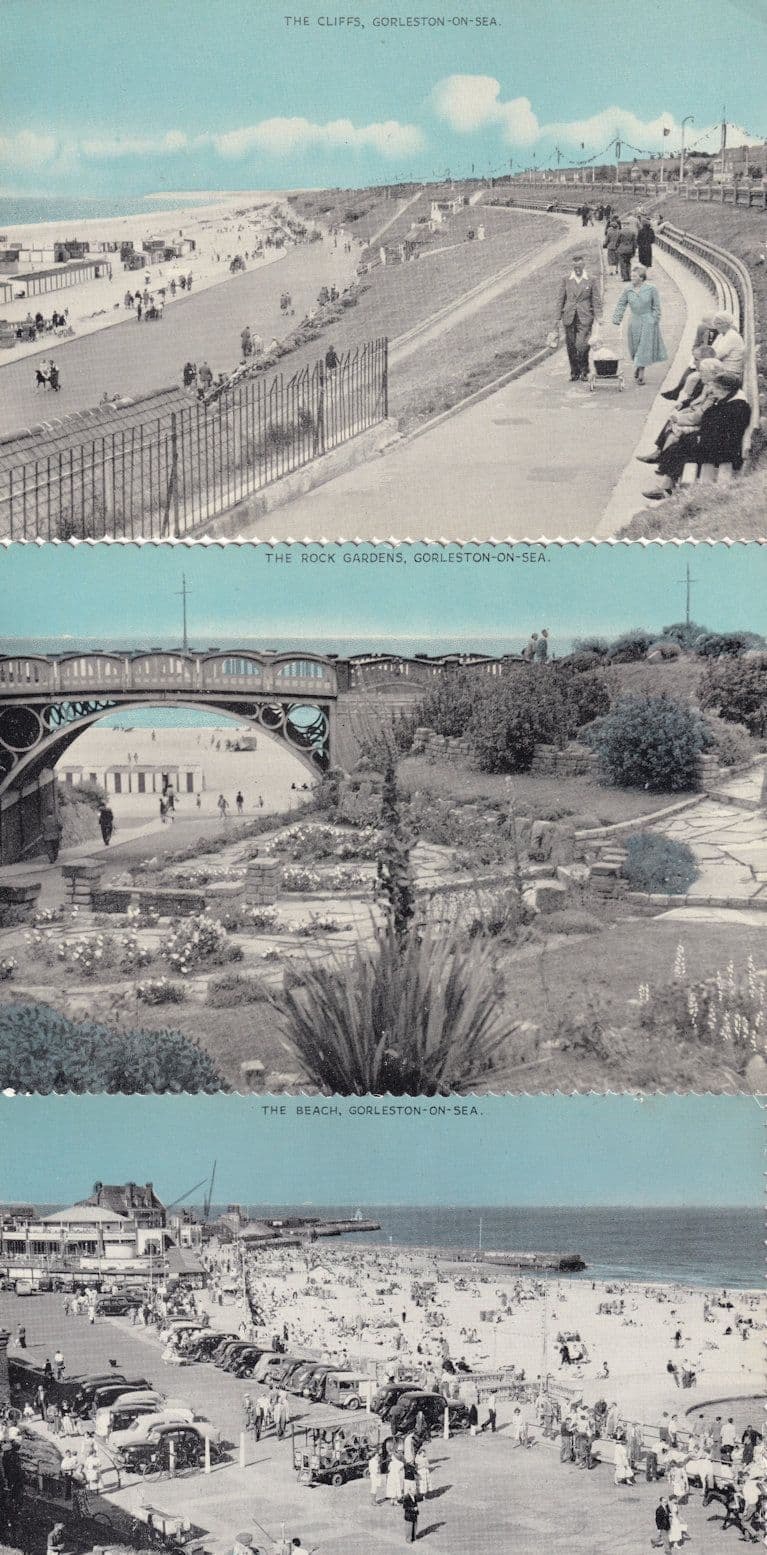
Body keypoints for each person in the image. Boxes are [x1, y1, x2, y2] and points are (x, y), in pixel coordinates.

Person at [642, 370, 751, 498]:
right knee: (679, 446)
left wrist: (697, 439)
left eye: (714, 387)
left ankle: (666, 490)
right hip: (720, 446)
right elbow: (713, 427)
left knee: (681, 450)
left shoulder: (735, 407)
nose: (712, 390)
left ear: (723, 389)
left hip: (723, 452)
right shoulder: (729, 400)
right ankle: (666, 488)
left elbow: (718, 432)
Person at [612, 266, 667, 385]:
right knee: (635, 347)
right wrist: (617, 318)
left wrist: (654, 320)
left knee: (644, 347)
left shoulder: (651, 289)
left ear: (641, 278)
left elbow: (656, 307)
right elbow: (621, 304)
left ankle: (641, 373)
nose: (631, 278)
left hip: (648, 320)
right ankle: (638, 365)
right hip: (634, 320)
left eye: (634, 276)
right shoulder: (628, 289)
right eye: (631, 276)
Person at [553, 254, 600, 383]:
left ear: (584, 265)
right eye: (575, 267)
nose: (577, 269)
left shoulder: (591, 279)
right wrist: (557, 318)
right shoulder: (566, 279)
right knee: (571, 345)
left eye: (579, 266)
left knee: (582, 344)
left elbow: (596, 299)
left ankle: (585, 370)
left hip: (585, 316)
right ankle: (575, 372)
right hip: (569, 316)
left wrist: (599, 317)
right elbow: (560, 299)